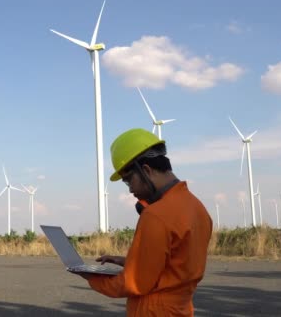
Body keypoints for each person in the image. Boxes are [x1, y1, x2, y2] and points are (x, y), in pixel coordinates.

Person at [77, 128, 213, 316]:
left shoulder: (156, 215)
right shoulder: (198, 208)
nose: (130, 188)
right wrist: (130, 262)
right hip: (181, 310)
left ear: (147, 170)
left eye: (128, 180)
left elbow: (133, 283)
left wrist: (90, 276)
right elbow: (176, 265)